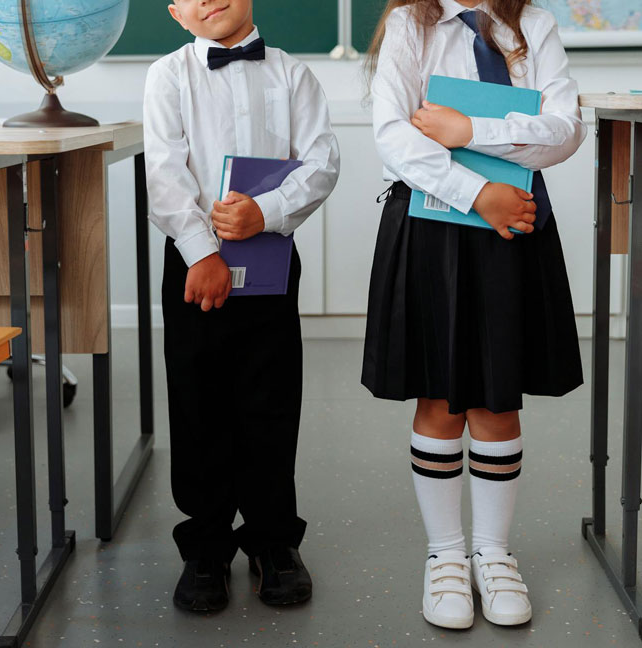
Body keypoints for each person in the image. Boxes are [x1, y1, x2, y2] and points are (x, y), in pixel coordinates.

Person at [362, 0, 586, 630]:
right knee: (439, 395)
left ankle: (492, 552)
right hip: (434, 220)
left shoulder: (531, 24)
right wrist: (474, 190)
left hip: (513, 220)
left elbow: (565, 129)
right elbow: (393, 133)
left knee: (498, 396)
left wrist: (471, 133)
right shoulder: (412, 23)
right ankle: (447, 555)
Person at [143, 0, 339, 613]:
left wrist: (267, 211)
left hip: (272, 256)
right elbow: (164, 172)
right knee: (199, 402)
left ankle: (273, 543)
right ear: (176, 12)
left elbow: (322, 161)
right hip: (195, 261)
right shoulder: (168, 75)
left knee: (271, 400)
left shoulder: (293, 73)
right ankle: (204, 546)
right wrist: (202, 250)